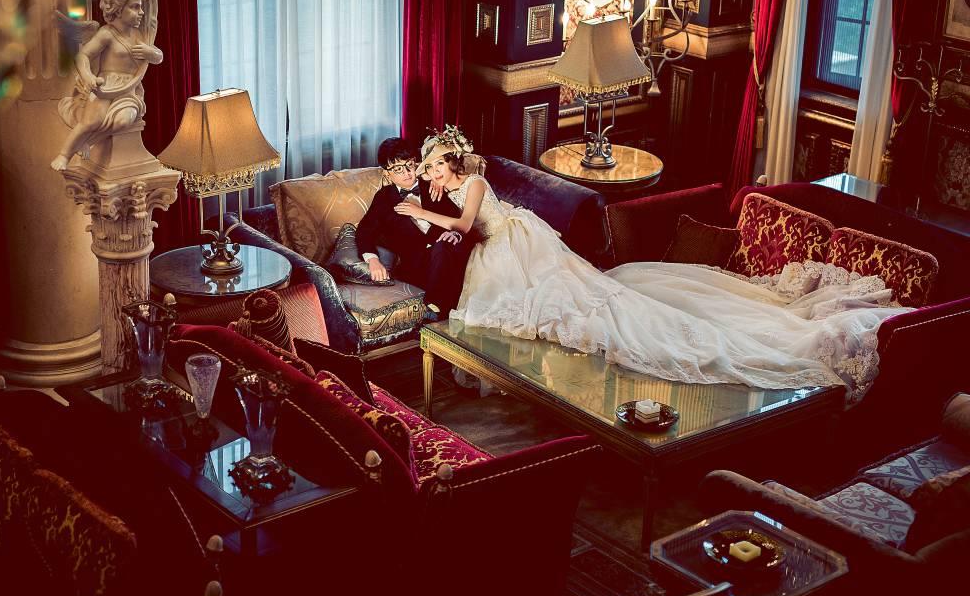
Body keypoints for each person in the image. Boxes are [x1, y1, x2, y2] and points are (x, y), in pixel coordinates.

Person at [396, 126, 913, 403]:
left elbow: (465, 223)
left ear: (453, 161)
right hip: (493, 246)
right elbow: (450, 224)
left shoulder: (475, 182)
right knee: (507, 313)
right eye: (429, 165)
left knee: (568, 304)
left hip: (513, 240)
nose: (430, 170)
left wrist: (420, 210)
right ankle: (515, 376)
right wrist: (428, 205)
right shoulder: (445, 184)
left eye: (436, 163)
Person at [355, 137, 475, 322]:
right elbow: (364, 231)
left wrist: (454, 233)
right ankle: (442, 311)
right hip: (416, 265)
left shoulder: (434, 186)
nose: (407, 173)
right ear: (387, 173)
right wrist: (373, 260)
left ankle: (435, 310)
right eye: (398, 169)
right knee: (437, 258)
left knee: (445, 246)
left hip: (447, 253)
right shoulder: (384, 198)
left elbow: (458, 219)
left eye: (410, 165)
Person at [53, 0, 163, 171]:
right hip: (105, 85)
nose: (141, 12)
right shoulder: (106, 34)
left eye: (141, 7)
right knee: (91, 121)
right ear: (118, 9)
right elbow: (83, 56)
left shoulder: (139, 35)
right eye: (135, 7)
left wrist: (151, 53)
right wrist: (88, 77)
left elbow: (158, 57)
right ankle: (64, 155)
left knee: (124, 120)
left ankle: (89, 141)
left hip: (129, 90)